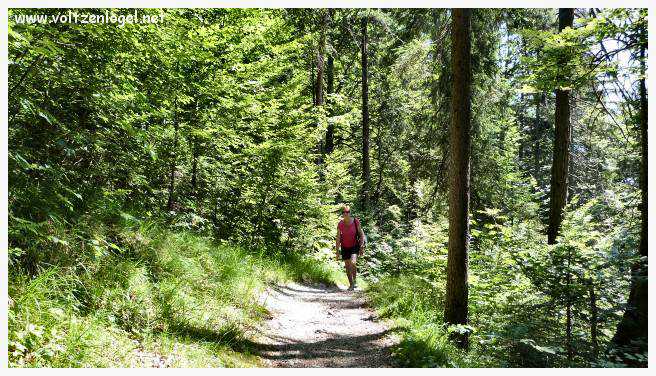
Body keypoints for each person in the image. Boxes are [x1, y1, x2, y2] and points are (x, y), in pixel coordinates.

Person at [336, 205, 365, 291]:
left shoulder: (356, 221)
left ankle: (355, 281)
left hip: (354, 245)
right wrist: (337, 251)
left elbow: (361, 234)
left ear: (350, 213)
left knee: (353, 262)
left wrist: (362, 246)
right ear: (342, 214)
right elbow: (338, 238)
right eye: (344, 212)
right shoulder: (340, 224)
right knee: (347, 266)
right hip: (344, 246)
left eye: (348, 212)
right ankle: (351, 284)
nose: (346, 214)